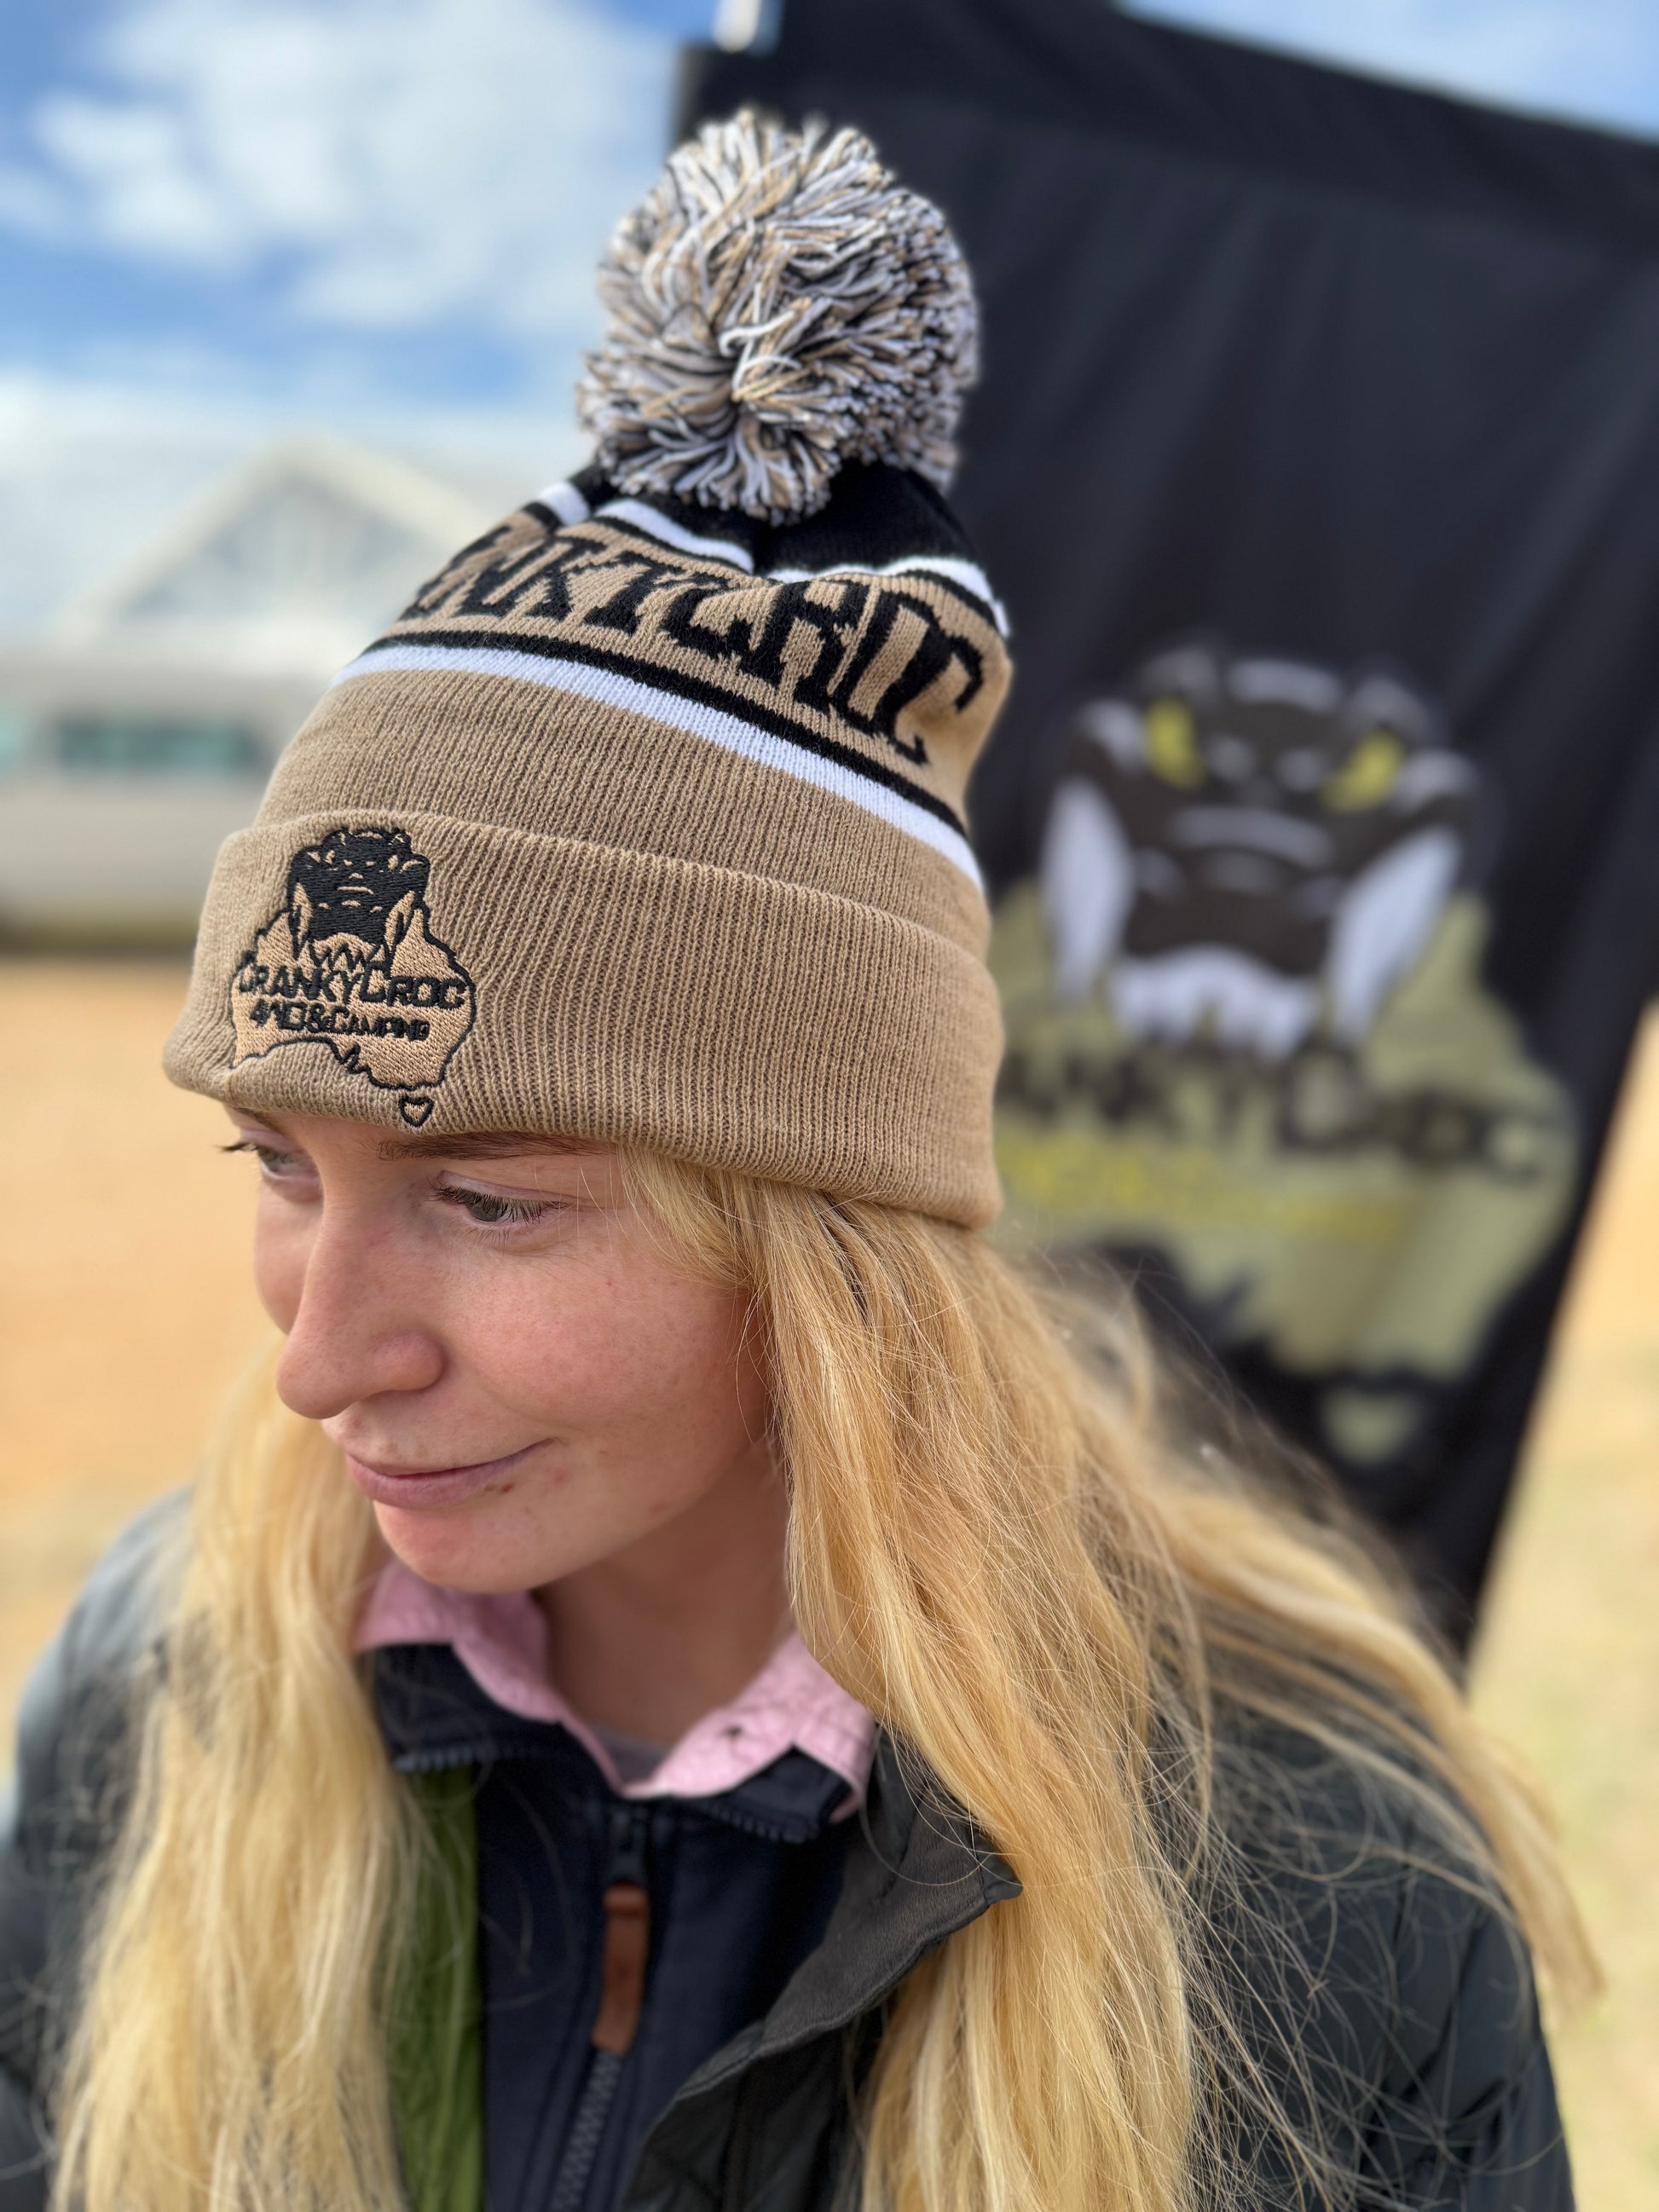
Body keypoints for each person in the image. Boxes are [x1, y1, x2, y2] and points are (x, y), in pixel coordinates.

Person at [0, 112, 1592, 2212]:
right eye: (282, 1163)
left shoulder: (1315, 1873)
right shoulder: (164, 1678)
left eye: (488, 1195)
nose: (317, 1360)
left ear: (833, 1236)